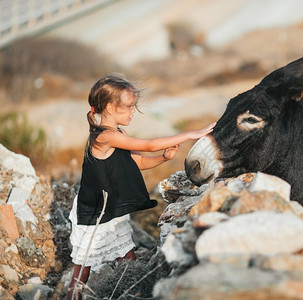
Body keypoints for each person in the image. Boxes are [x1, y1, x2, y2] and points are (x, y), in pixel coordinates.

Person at [67, 74, 215, 299]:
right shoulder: (103, 137)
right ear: (109, 107)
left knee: (128, 258)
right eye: (128, 107)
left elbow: (138, 161)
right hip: (94, 211)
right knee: (83, 269)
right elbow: (149, 145)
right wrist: (190, 134)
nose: (133, 112)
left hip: (113, 208)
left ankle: (134, 293)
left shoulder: (119, 134)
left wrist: (163, 158)